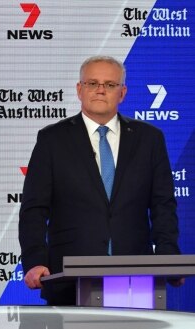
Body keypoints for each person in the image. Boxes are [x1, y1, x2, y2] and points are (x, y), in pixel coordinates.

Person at [19, 55, 183, 305]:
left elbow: (163, 205)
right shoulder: (52, 139)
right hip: (67, 278)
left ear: (123, 92)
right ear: (79, 89)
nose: (100, 90)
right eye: (92, 83)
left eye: (109, 84)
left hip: (133, 277)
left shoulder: (150, 139)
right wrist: (35, 261)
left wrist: (168, 258)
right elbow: (34, 209)